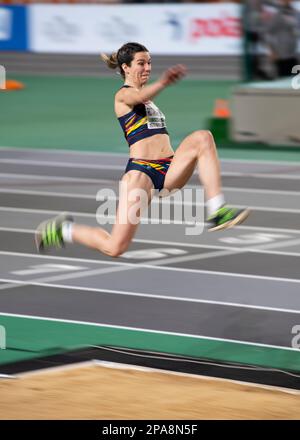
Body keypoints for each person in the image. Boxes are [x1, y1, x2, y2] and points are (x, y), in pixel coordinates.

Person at [35, 42, 249, 258]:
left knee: (203, 137)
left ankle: (217, 210)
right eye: (141, 63)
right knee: (115, 247)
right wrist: (164, 82)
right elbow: (137, 97)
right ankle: (64, 230)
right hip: (141, 173)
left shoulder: (148, 100)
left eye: (149, 63)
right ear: (126, 68)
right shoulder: (123, 95)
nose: (147, 68)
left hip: (169, 168)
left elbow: (145, 99)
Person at [265, 0, 300, 78]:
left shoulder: (296, 13)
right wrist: (271, 50)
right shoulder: (277, 14)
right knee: (283, 78)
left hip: (294, 53)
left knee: (295, 80)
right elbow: (268, 32)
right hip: (281, 54)